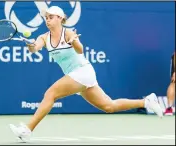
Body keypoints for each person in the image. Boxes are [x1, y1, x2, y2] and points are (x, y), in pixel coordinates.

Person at [9, 6, 163, 142]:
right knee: (109, 106)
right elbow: (35, 48)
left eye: (51, 17)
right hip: (76, 75)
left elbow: (80, 50)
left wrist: (74, 41)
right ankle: (146, 102)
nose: (47, 20)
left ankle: (27, 130)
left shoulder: (68, 33)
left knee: (51, 93)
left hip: (82, 71)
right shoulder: (43, 37)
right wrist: (30, 45)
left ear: (60, 18)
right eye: (46, 18)